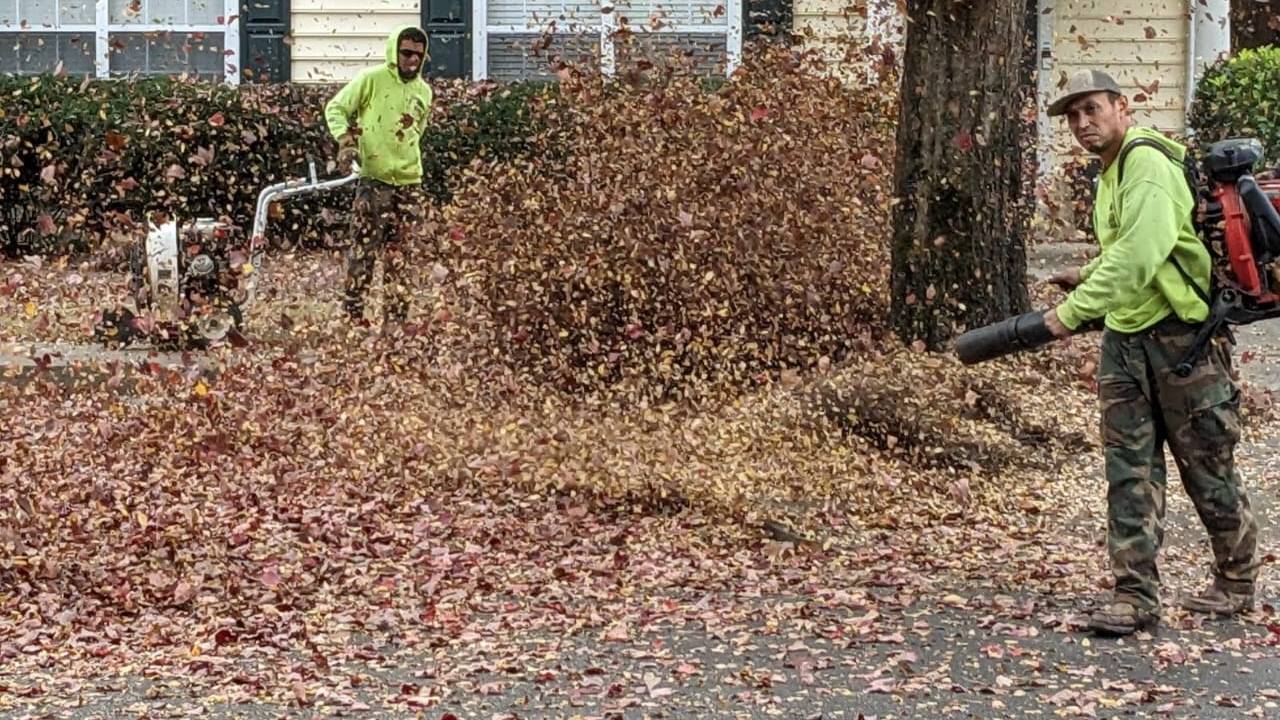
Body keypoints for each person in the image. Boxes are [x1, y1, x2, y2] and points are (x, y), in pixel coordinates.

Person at [1042, 70, 1261, 636]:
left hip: (1183, 341)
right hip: (1125, 340)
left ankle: (1236, 581)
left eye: (1092, 109)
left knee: (1207, 467)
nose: (1082, 123)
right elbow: (1129, 247)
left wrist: (1070, 314)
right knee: (1129, 473)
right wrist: (1087, 273)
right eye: (1073, 116)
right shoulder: (1111, 170)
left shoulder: (1147, 163)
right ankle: (1134, 596)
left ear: (1122, 107)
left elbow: (1142, 254)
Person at [324, 25, 433, 331]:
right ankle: (353, 320)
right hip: (374, 181)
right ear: (394, 52)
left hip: (410, 184)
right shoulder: (371, 79)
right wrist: (346, 141)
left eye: (419, 55)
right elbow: (336, 108)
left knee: (401, 258)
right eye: (406, 53)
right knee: (363, 253)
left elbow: (417, 132)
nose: (413, 59)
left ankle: (395, 325)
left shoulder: (424, 91)